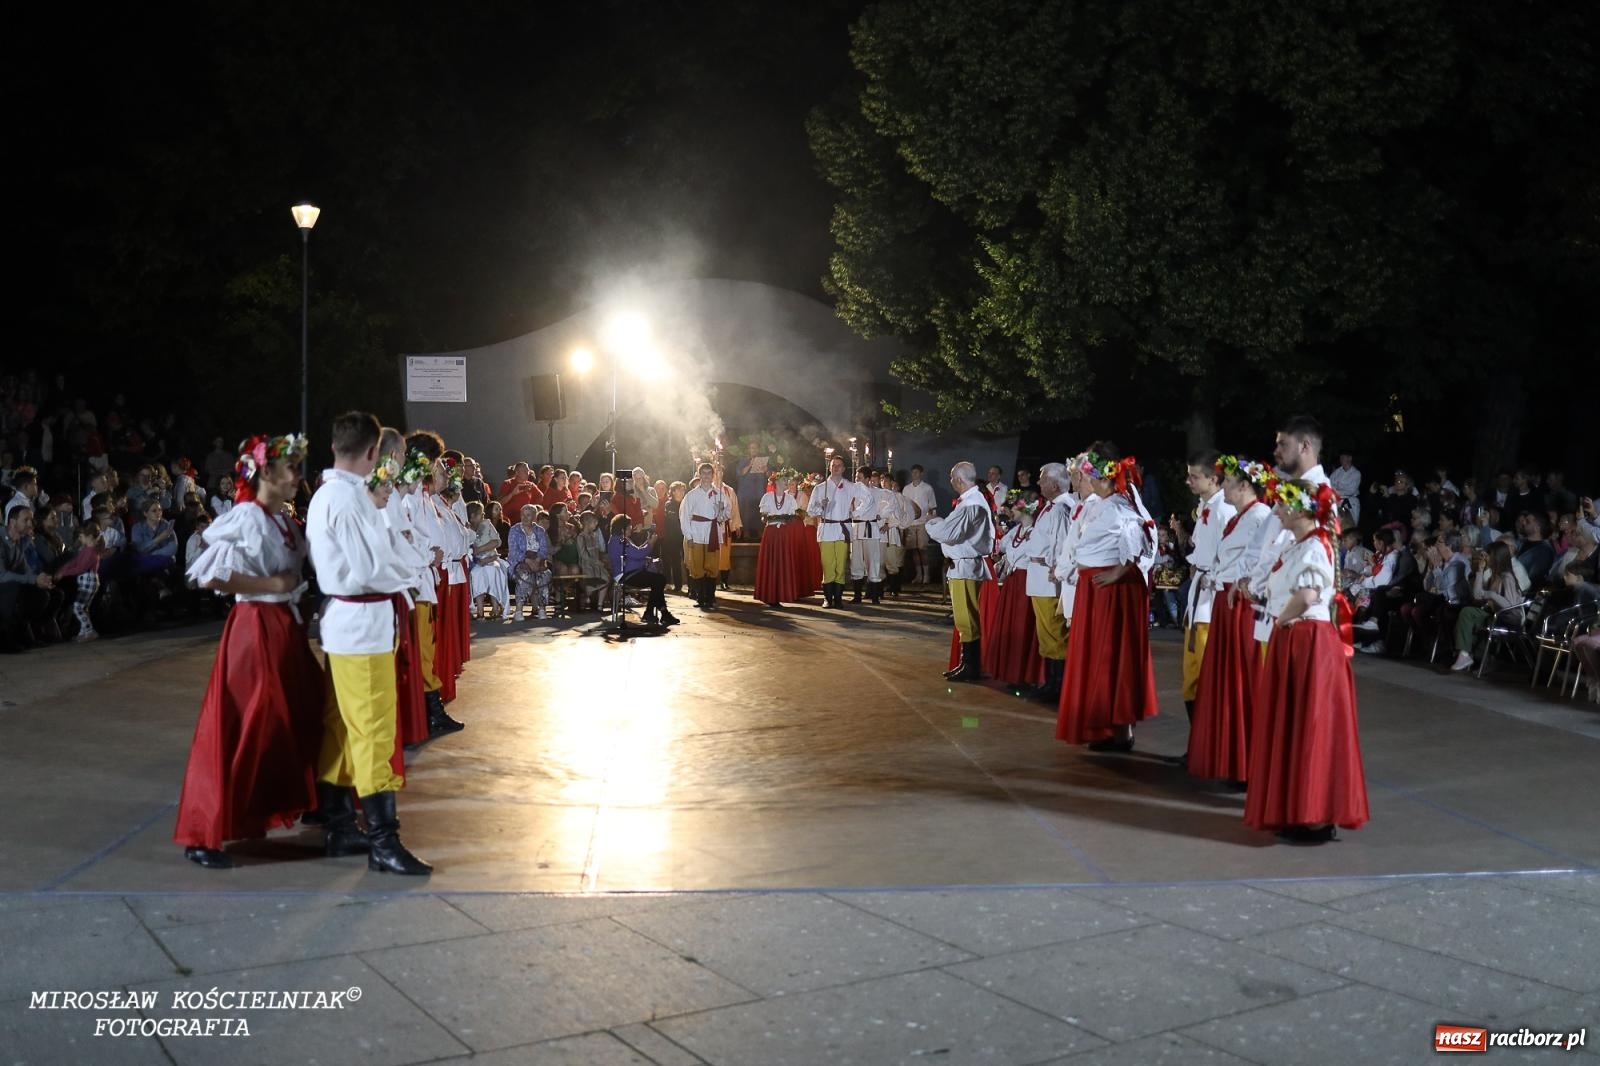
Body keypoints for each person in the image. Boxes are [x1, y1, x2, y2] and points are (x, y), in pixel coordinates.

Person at [173, 433, 324, 869]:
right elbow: (207, 576)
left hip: (286, 628)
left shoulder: (285, 521)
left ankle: (309, 799)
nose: (297, 476)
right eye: (290, 468)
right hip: (255, 627)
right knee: (247, 722)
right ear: (265, 473)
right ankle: (204, 831)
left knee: (306, 711)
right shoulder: (246, 517)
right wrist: (270, 587)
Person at [308, 411, 432, 875]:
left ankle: (339, 823)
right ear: (372, 453)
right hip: (360, 625)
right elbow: (369, 569)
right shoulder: (344, 500)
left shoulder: (339, 495)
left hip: (355, 623)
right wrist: (410, 575)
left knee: (344, 727)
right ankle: (384, 841)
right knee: (374, 730)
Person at [1244, 479, 1369, 844]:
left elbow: (1309, 593)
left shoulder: (1315, 546)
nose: (1277, 510)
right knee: (1293, 723)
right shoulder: (1300, 545)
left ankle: (1315, 817)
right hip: (1295, 639)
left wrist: (1281, 618)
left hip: (1308, 641)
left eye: (1282, 504)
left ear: (1300, 510)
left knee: (1309, 725)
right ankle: (1297, 809)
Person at [1055, 447, 1159, 751]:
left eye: (1085, 473)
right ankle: (1104, 726)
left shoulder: (1118, 504)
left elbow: (1142, 537)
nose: (1081, 477)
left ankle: (1120, 729)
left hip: (1109, 590)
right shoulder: (1100, 504)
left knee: (1111, 657)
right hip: (1093, 587)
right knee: (1096, 657)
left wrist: (1120, 571)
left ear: (1099, 475)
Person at [1186, 456, 1275, 783]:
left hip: (1241, 605)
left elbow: (1259, 559)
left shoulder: (1261, 515)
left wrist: (1231, 579)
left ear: (1245, 486)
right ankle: (1232, 755)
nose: (1222, 487)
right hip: (1226, 600)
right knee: (1227, 678)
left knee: (1244, 678)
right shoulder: (1242, 516)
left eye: (1227, 482)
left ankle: (1248, 760)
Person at [926, 461, 995, 681]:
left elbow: (949, 533)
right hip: (964, 565)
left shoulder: (971, 504)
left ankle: (971, 666)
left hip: (966, 565)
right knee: (964, 617)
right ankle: (967, 663)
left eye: (951, 477)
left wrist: (931, 523)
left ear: (958, 480)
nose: (951, 481)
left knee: (967, 618)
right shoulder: (972, 501)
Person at [1180, 450, 1235, 727]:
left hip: (1210, 599)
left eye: (1194, 476)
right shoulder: (1207, 507)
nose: (1188, 481)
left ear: (1214, 479)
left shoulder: (1224, 510)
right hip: (1198, 594)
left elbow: (1232, 556)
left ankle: (1204, 743)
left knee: (1203, 672)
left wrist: (1213, 577)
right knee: (1192, 674)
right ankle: (1198, 743)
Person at [1017, 463, 1074, 702]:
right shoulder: (1051, 508)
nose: (1038, 484)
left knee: (1055, 633)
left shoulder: (1061, 509)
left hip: (1049, 578)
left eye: (1042, 480)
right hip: (1040, 577)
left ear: (1054, 483)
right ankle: (1051, 682)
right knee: (1047, 634)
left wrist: (1057, 568)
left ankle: (1058, 685)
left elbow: (1062, 543)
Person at [608, 514, 677, 625]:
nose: (631, 528)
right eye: (630, 526)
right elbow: (639, 554)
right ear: (623, 529)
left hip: (632, 572)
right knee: (659, 580)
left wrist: (647, 542)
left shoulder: (619, 540)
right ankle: (651, 613)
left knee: (657, 581)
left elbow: (637, 551)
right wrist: (651, 544)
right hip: (626, 575)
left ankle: (663, 613)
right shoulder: (620, 541)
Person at [680, 462, 730, 610]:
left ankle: (710, 597)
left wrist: (721, 513)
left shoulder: (720, 494)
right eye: (704, 473)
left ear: (713, 475)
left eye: (709, 473)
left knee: (712, 566)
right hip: (696, 533)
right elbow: (684, 516)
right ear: (699, 475)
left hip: (712, 533)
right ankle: (700, 597)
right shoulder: (691, 495)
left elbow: (726, 513)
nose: (707, 476)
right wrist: (688, 536)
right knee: (696, 565)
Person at [755, 472, 803, 607]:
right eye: (783, 480)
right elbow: (763, 517)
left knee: (782, 562)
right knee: (770, 562)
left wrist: (785, 518)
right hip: (770, 532)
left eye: (786, 481)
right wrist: (773, 517)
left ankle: (780, 593)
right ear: (775, 482)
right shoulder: (767, 497)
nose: (785, 483)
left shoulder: (789, 499)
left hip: (782, 532)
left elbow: (793, 517)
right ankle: (768, 594)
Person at [467, 500, 513, 620]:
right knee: (476, 574)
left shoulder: (487, 524)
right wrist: (478, 558)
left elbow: (497, 541)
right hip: (475, 560)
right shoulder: (466, 528)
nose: (483, 515)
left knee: (493, 570)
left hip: (492, 557)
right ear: (472, 516)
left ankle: (496, 606)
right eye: (481, 514)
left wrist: (483, 550)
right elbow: (468, 549)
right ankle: (480, 610)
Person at [848, 467, 888, 604]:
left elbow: (892, 503)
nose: (857, 480)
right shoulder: (852, 491)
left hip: (870, 527)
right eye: (856, 478)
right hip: (856, 528)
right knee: (856, 560)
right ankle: (857, 595)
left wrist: (882, 515)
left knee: (873, 561)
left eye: (859, 478)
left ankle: (875, 596)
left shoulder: (877, 492)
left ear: (867, 479)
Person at [506, 503, 552, 619]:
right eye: (523, 515)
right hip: (520, 562)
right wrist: (527, 560)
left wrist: (537, 560)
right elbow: (513, 551)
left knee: (545, 575)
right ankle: (519, 610)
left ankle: (542, 609)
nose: (525, 518)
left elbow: (544, 549)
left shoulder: (540, 530)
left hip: (538, 562)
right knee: (525, 575)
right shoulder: (514, 530)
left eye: (528, 515)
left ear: (534, 517)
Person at [902, 465, 938, 584]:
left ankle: (926, 575)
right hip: (911, 523)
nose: (914, 475)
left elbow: (933, 506)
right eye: (913, 473)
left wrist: (931, 521)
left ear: (921, 474)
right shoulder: (906, 489)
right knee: (914, 550)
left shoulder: (927, 488)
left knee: (922, 549)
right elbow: (904, 506)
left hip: (923, 522)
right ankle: (918, 575)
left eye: (917, 472)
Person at [735, 441, 769, 542]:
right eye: (752, 448)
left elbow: (769, 475)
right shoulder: (743, 461)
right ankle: (746, 532)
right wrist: (750, 464)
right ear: (748, 450)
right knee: (746, 512)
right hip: (746, 492)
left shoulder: (762, 461)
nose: (754, 450)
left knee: (760, 511)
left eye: (755, 448)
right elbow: (740, 473)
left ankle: (760, 532)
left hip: (758, 491)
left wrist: (766, 470)